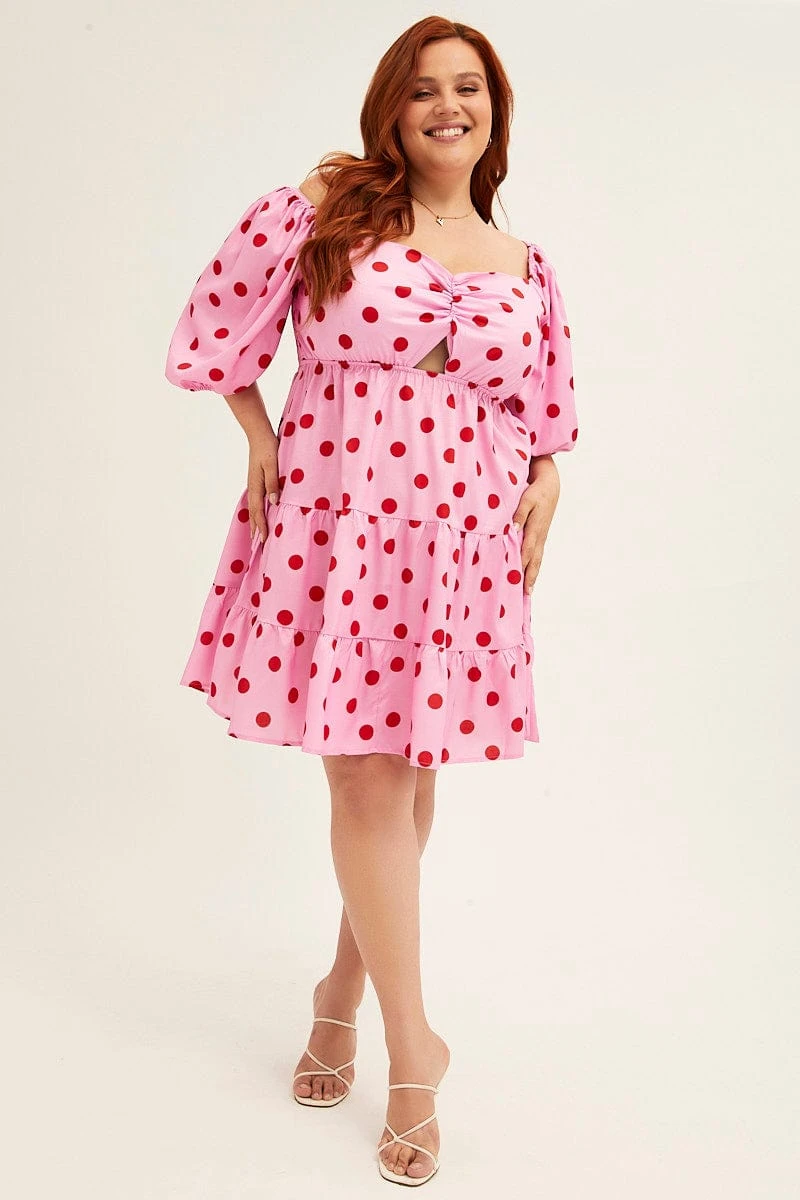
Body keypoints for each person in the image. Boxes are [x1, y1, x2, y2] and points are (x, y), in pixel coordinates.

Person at [164, 15, 578, 1187]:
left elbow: (545, 409)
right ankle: (413, 1050)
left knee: (405, 778)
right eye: (423, 89)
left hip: (463, 543)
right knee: (363, 781)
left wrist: (548, 479)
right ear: (391, 108)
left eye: (468, 88)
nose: (448, 106)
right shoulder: (333, 213)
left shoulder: (522, 262)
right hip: (340, 528)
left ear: (494, 110)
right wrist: (256, 435)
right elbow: (214, 320)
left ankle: (338, 992)